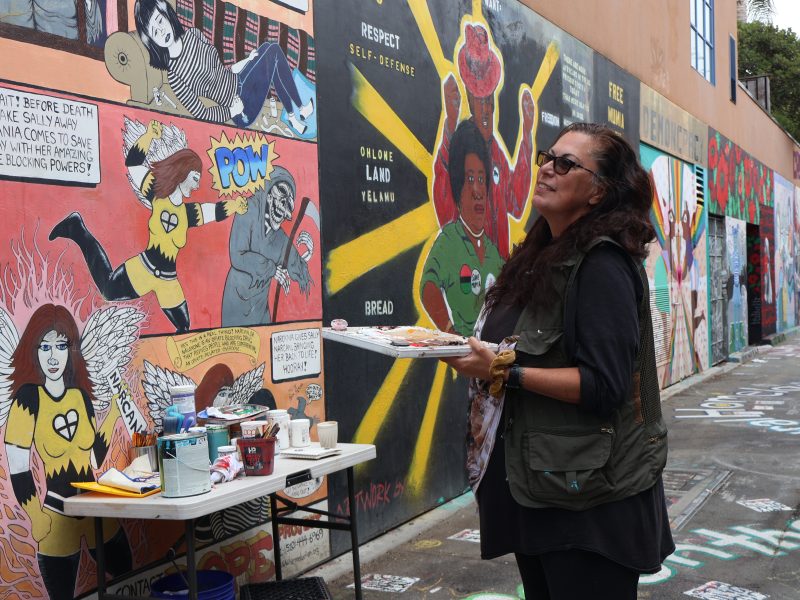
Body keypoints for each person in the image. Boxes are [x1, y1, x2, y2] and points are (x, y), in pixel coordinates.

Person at [443, 123, 674, 599]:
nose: (547, 168)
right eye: (548, 157)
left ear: (597, 193)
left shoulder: (602, 264)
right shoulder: (542, 253)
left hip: (592, 507)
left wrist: (504, 371)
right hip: (545, 491)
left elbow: (604, 385)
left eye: (566, 164)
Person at [49, 119, 247, 333]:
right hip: (144, 270)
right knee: (108, 289)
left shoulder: (188, 213)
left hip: (168, 282)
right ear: (182, 174)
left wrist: (235, 205)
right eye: (195, 178)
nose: (197, 185)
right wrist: (148, 136)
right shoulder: (157, 195)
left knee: (184, 326)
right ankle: (77, 229)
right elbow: (133, 165)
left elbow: (213, 211)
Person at [4, 304, 132, 600]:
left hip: (95, 507)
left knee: (129, 578)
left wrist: (112, 416)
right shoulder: (28, 399)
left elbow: (92, 459)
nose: (53, 356)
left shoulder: (80, 396)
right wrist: (36, 516)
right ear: (33, 351)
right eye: (44, 346)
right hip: (55, 516)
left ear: (71, 350)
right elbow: (18, 467)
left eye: (61, 346)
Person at [433, 22, 535, 259]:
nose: (487, 110)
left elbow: (516, 203)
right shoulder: (461, 143)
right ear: (469, 99)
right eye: (480, 101)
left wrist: (527, 135)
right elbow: (444, 205)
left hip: (497, 282)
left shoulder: (496, 151)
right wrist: (450, 122)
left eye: (489, 100)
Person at [134, 0, 314, 133]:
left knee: (267, 49)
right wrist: (230, 111)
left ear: (166, 13)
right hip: (240, 106)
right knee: (273, 51)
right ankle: (299, 111)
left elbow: (224, 71)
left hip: (240, 80)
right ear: (151, 41)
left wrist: (248, 60)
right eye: (154, 32)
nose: (161, 31)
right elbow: (201, 112)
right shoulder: (174, 76)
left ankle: (294, 116)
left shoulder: (194, 35)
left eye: (159, 21)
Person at [421, 119, 503, 336]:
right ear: (457, 188)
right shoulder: (449, 241)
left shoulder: (493, 252)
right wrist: (453, 336)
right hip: (466, 364)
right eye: (469, 179)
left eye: (481, 179)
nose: (477, 190)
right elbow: (428, 287)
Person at [221, 167, 312, 327]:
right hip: (236, 303)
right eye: (280, 198)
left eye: (287, 205)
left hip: (261, 308)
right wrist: (271, 269)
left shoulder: (280, 237)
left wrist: (308, 254)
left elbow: (295, 267)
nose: (282, 210)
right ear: (268, 196)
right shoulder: (247, 210)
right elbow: (237, 255)